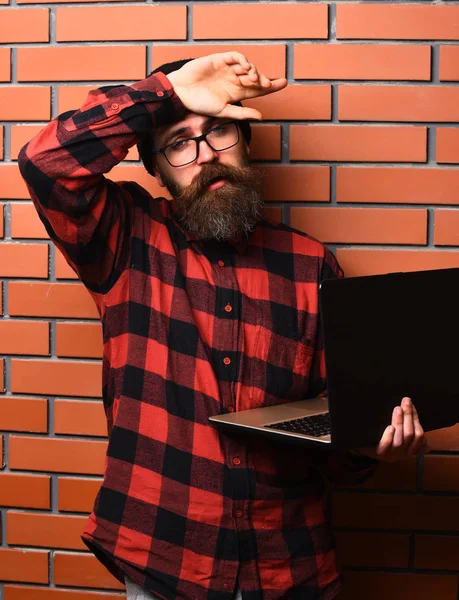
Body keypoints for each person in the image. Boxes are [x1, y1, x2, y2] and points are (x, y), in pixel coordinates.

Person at [19, 53, 429, 600]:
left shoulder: (311, 265)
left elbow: (335, 431)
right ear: (158, 170)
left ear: (245, 141)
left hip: (291, 568)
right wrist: (166, 93)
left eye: (219, 133)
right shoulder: (126, 237)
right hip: (165, 561)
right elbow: (45, 163)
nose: (206, 156)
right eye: (180, 143)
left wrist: (371, 448)